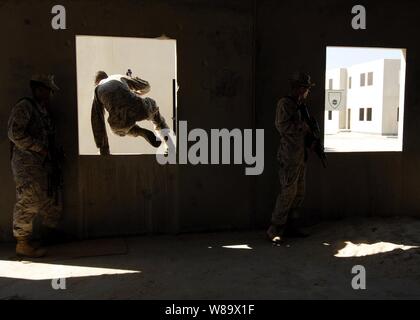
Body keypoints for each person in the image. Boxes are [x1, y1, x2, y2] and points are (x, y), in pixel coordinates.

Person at [8, 75, 62, 258]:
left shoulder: (42, 110)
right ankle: (22, 243)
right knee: (29, 199)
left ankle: (45, 237)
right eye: (48, 90)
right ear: (38, 89)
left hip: (41, 163)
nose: (50, 95)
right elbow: (14, 134)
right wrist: (41, 149)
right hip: (26, 163)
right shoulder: (25, 106)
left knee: (49, 199)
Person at [267, 72, 316, 245]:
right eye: (306, 88)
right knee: (288, 192)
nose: (308, 91)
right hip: (289, 156)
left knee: (299, 192)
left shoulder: (300, 105)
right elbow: (281, 126)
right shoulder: (285, 103)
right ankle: (275, 228)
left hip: (300, 155)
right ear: (300, 88)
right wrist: (302, 127)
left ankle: (292, 226)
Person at [91, 71, 170, 155]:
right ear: (107, 76)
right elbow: (146, 86)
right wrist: (135, 91)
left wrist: (103, 149)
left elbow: (97, 121)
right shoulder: (117, 77)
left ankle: (140, 131)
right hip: (139, 108)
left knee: (117, 130)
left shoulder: (97, 91)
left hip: (119, 122)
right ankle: (169, 143)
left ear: (97, 83)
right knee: (154, 110)